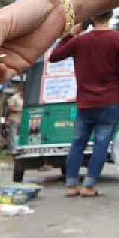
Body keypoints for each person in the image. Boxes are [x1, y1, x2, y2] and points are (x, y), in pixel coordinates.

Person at [48, 11, 119, 197]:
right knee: (101, 144)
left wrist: (71, 34)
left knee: (78, 143)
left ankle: (71, 186)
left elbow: (54, 56)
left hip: (85, 103)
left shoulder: (80, 41)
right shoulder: (116, 39)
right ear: (110, 16)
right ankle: (89, 186)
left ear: (91, 18)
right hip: (110, 102)